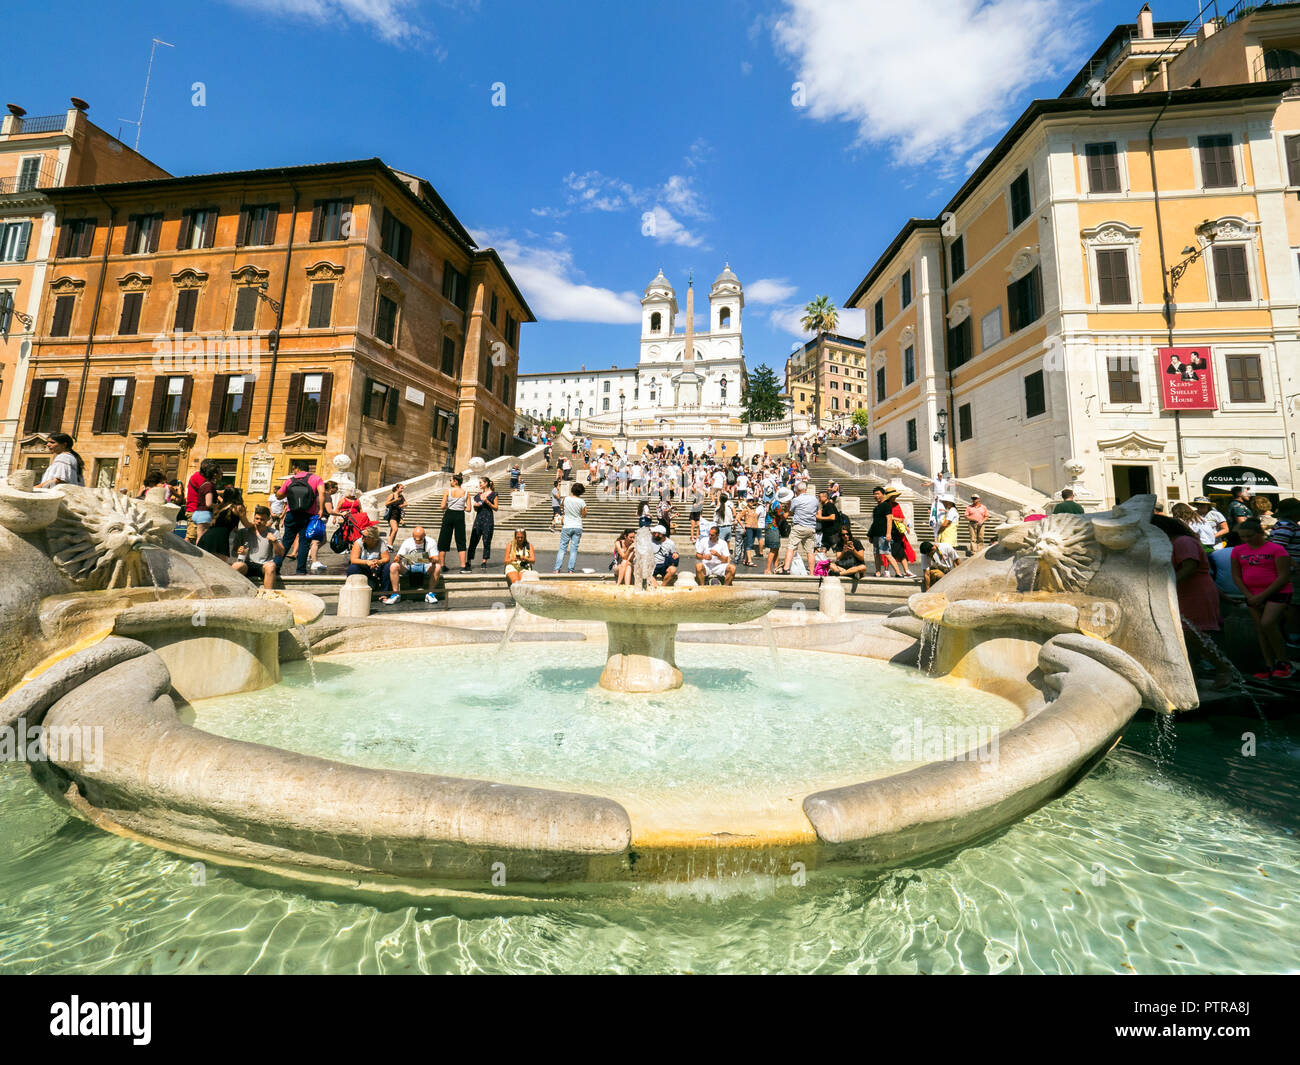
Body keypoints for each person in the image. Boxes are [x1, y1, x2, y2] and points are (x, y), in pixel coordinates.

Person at [1150, 513, 1231, 690]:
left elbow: (1190, 567)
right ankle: (1191, 678)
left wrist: (1167, 583)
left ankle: (1223, 668)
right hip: (1182, 592)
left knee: (1192, 634)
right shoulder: (1170, 543)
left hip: (1195, 592)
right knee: (1181, 638)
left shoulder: (1182, 542)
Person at [1231, 517, 1294, 679]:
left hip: (1277, 591)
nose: (1246, 539)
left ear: (1260, 533)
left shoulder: (1277, 549)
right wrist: (1249, 596)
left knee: (1268, 623)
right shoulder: (1238, 550)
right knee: (1261, 628)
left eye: (1250, 536)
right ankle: (1269, 664)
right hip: (1252, 594)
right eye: (1243, 536)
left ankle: (1284, 661)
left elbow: (1283, 576)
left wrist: (1261, 596)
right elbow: (1237, 576)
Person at [275, 460, 326, 575]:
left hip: (291, 514)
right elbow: (322, 493)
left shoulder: (290, 480)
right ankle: (301, 570)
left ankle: (276, 566)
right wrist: (321, 509)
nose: (293, 472)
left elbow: (279, 495)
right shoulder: (316, 478)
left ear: (297, 468)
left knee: (286, 540)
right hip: (308, 514)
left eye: (293, 469)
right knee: (304, 542)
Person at [231, 505, 284, 590]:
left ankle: (268, 595)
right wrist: (239, 551)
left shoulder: (274, 533)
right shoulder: (243, 532)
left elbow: (280, 553)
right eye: (257, 518)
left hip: (263, 565)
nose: (259, 521)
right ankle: (234, 592)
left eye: (262, 519)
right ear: (254, 518)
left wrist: (274, 541)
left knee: (271, 566)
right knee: (236, 566)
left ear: (268, 520)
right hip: (247, 564)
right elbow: (233, 553)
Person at [385, 525, 437, 605]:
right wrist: (399, 559)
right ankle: (395, 594)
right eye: (415, 539)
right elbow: (397, 558)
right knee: (393, 566)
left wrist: (413, 558)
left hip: (425, 567)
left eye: (420, 539)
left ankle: (430, 594)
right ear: (412, 536)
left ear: (425, 535)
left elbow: (436, 559)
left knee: (437, 566)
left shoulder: (431, 541)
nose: (418, 541)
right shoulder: (407, 542)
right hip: (409, 567)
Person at [198, 486, 252, 559]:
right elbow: (247, 524)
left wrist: (221, 491)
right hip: (219, 539)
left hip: (206, 537)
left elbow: (216, 493)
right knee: (220, 567)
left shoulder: (220, 506)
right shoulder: (238, 507)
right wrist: (257, 524)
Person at [437, 473, 472, 574]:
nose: (450, 482)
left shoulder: (447, 491)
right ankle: (463, 566)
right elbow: (469, 509)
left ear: (455, 481)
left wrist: (450, 504)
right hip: (459, 516)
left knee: (444, 539)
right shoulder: (466, 492)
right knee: (461, 540)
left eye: (451, 480)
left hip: (449, 515)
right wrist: (461, 507)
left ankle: (442, 565)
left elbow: (442, 506)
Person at [784, 483, 820, 574]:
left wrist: (788, 507)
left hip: (798, 526)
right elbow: (816, 510)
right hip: (811, 527)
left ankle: (786, 568)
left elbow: (791, 512)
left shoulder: (796, 500)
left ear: (797, 490)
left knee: (791, 547)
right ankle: (812, 572)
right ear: (806, 489)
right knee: (810, 551)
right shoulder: (814, 499)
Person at [348, 525, 392, 597]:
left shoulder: (381, 543)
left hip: (376, 567)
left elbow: (386, 558)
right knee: (353, 568)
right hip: (363, 567)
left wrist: (379, 562)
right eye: (362, 535)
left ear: (372, 538)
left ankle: (384, 593)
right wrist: (367, 562)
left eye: (365, 536)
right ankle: (354, 592)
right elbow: (353, 560)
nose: (362, 537)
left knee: (388, 566)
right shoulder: (358, 543)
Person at [184, 459, 220, 544]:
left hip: (195, 509)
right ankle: (183, 555)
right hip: (195, 508)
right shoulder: (200, 479)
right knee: (191, 537)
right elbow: (207, 493)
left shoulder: (198, 476)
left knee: (195, 537)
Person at [884, 487, 917, 578]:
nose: (894, 497)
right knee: (887, 553)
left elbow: (902, 518)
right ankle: (886, 571)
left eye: (895, 496)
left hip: (897, 532)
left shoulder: (896, 505)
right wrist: (894, 518)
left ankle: (906, 570)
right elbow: (886, 517)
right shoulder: (884, 505)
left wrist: (906, 527)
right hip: (887, 531)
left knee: (901, 552)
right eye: (893, 496)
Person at [554, 481, 586, 574]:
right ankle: (570, 570)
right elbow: (584, 514)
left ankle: (557, 569)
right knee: (574, 549)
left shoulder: (565, 499)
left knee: (562, 548)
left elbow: (561, 508)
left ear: (572, 490)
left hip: (567, 525)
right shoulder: (582, 501)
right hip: (577, 526)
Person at [467, 477, 499, 569]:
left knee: (486, 540)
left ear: (486, 483)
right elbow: (476, 509)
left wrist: (487, 502)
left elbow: (496, 508)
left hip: (488, 519)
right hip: (478, 519)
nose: (479, 484)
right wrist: (475, 506)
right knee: (473, 539)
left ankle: (484, 561)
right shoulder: (478, 495)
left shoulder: (493, 494)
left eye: (481, 482)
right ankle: (468, 560)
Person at [827, 526, 867, 592]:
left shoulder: (856, 542)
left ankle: (840, 574)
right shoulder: (839, 544)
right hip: (844, 567)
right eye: (843, 535)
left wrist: (853, 550)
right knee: (830, 565)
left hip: (855, 566)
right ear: (841, 536)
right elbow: (838, 558)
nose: (845, 536)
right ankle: (848, 573)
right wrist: (843, 551)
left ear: (850, 534)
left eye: (847, 534)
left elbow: (861, 557)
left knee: (863, 567)